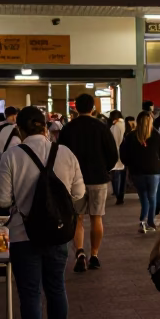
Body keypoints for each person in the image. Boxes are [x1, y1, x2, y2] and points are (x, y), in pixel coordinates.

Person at [0, 107, 85, 319]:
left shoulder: (11, 156)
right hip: (58, 231)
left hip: (23, 235)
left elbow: (2, 200)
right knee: (56, 288)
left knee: (30, 294)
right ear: (45, 126)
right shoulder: (65, 153)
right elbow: (79, 192)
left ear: (20, 129)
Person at [58, 93, 118, 272]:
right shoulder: (101, 127)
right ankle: (95, 255)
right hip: (98, 178)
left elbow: (61, 154)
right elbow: (113, 155)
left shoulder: (68, 128)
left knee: (77, 218)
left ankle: (80, 253)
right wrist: (103, 168)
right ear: (93, 107)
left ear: (75, 107)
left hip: (74, 180)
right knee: (96, 217)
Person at [121, 110, 160, 233]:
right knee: (152, 197)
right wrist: (158, 160)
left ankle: (142, 221)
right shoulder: (156, 135)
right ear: (151, 121)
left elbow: (123, 153)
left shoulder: (130, 136)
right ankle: (151, 222)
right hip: (153, 170)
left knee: (143, 197)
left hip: (136, 171)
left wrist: (129, 163)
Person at [108, 110, 127, 205]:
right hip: (125, 153)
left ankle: (118, 194)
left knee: (116, 175)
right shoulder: (125, 124)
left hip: (117, 153)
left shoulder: (115, 126)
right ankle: (121, 195)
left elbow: (114, 141)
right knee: (123, 176)